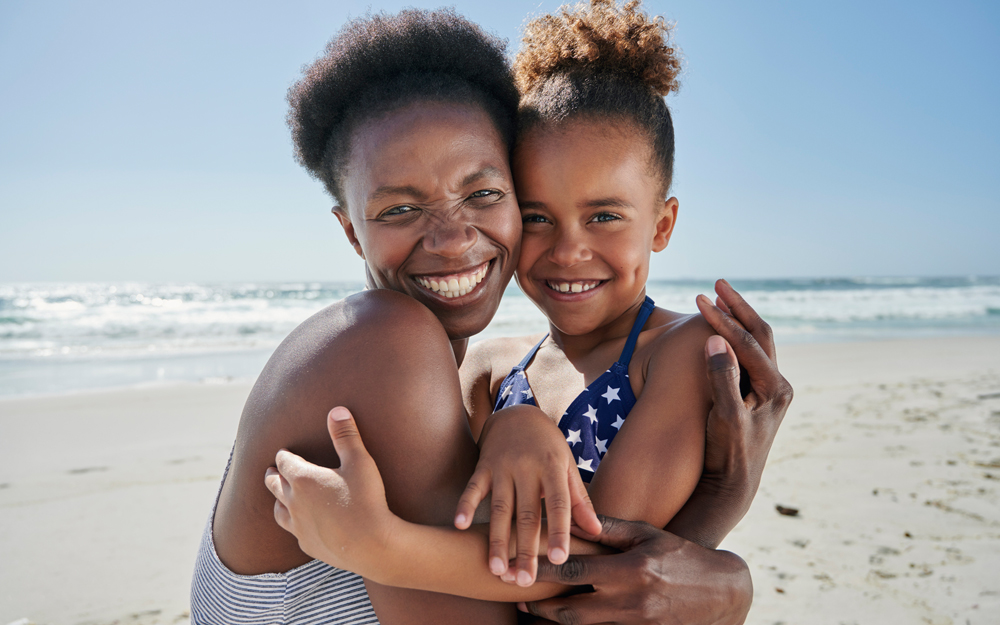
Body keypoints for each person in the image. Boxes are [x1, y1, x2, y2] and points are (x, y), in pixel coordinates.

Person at [192, 5, 791, 625]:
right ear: (350, 232)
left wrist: (515, 430)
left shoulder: (474, 373)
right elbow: (594, 587)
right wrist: (720, 524)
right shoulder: (395, 346)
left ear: (662, 223)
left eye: (482, 194)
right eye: (400, 209)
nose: (453, 240)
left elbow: (599, 583)